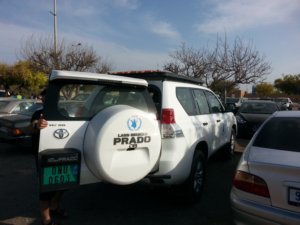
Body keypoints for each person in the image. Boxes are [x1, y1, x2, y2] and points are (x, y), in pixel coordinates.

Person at [31, 90, 67, 225]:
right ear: (42, 100)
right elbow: (31, 127)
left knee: (63, 183)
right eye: (47, 98)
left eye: (55, 97)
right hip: (43, 156)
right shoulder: (38, 113)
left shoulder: (63, 112)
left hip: (62, 153)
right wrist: (36, 125)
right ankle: (46, 219)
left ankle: (54, 206)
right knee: (46, 187)